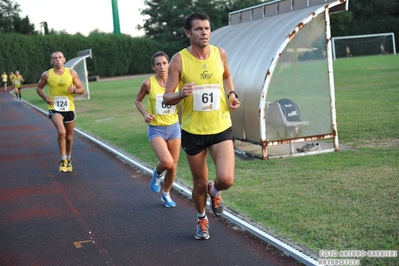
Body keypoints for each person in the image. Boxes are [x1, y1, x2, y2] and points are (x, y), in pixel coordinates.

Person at [163, 12, 241, 240]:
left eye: (207, 28)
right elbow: (166, 97)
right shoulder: (179, 59)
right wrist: (180, 93)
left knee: (226, 179)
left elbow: (226, 77)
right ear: (188, 33)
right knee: (198, 183)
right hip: (193, 131)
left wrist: (232, 94)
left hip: (220, 126)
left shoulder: (220, 54)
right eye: (198, 29)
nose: (204, 32)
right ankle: (201, 219)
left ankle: (214, 190)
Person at [135, 51, 181, 208]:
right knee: (167, 162)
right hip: (156, 129)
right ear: (153, 67)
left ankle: (166, 194)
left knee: (173, 166)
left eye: (164, 63)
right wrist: (145, 113)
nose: (162, 67)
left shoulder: (177, 82)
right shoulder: (148, 83)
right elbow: (138, 100)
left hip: (174, 127)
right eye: (158, 64)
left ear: (169, 64)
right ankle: (157, 174)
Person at [36, 51, 85, 173]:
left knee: (69, 137)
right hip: (55, 109)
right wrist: (45, 98)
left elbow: (82, 90)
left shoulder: (71, 73)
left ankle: (68, 159)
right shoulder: (47, 75)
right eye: (54, 58)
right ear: (51, 61)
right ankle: (63, 159)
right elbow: (39, 88)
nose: (57, 60)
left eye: (59, 57)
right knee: (61, 131)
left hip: (69, 108)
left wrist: (74, 90)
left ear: (64, 59)